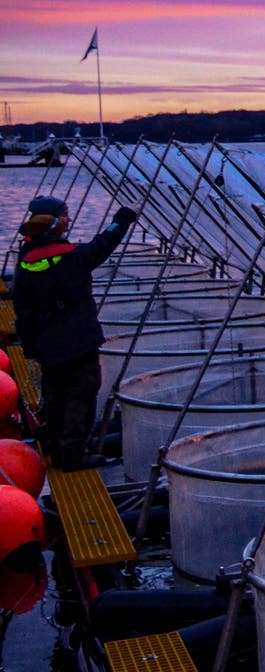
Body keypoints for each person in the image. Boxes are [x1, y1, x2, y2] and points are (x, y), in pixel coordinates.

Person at [10, 196, 137, 471]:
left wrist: (31, 344)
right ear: (53, 222)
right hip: (79, 340)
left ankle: (55, 447)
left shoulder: (27, 258)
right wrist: (123, 219)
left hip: (47, 344)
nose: (69, 219)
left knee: (55, 394)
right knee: (81, 392)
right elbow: (104, 244)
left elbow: (22, 306)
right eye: (65, 215)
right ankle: (73, 455)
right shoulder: (72, 257)